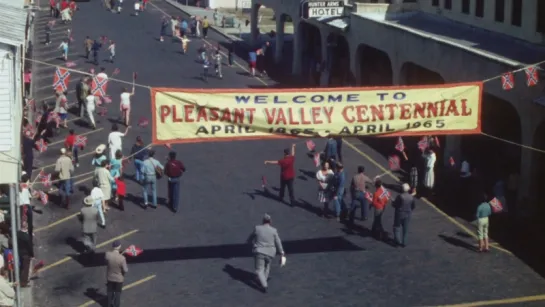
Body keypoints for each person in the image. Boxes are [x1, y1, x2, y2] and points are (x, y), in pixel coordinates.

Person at [247, 214, 285, 293]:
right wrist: (281, 252)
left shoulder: (257, 228)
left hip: (259, 251)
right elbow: (278, 242)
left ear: (263, 221)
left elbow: (250, 238)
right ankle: (264, 279)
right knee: (267, 266)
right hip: (270, 252)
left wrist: (250, 243)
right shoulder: (274, 230)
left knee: (259, 270)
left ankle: (264, 285)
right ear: (270, 221)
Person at [105, 241, 128, 307]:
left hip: (110, 277)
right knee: (117, 294)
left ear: (113, 247)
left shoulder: (107, 254)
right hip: (119, 279)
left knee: (110, 293)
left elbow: (107, 261)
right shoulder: (122, 258)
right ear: (119, 247)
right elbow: (125, 270)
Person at [392, 183, 416, 247]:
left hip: (399, 214)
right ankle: (404, 242)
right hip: (408, 214)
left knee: (396, 227)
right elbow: (413, 206)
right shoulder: (411, 197)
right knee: (405, 229)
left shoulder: (400, 197)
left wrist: (393, 202)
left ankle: (398, 241)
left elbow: (395, 205)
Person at [17, 222, 33, 287]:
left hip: (19, 252)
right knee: (25, 269)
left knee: (21, 267)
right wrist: (32, 255)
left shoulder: (17, 233)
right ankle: (24, 283)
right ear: (26, 227)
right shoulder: (27, 237)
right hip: (26, 254)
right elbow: (30, 247)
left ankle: (21, 279)